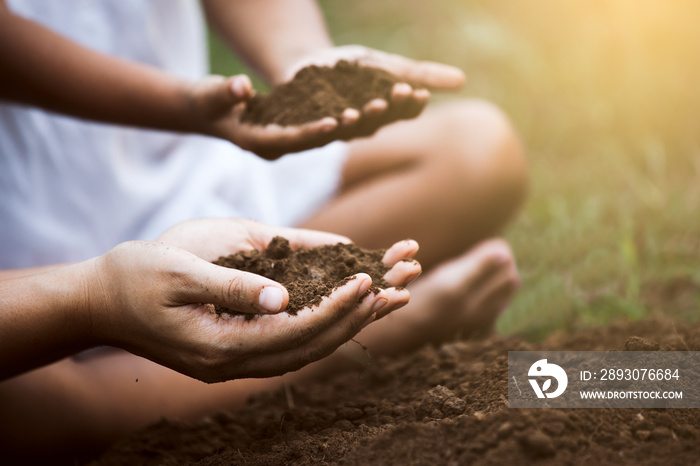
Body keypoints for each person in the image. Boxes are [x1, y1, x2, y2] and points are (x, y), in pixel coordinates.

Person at [0, 0, 527, 457]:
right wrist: (98, 297)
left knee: (478, 151)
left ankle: (231, 330)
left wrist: (301, 59)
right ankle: (369, 338)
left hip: (196, 168)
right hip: (34, 244)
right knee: (25, 411)